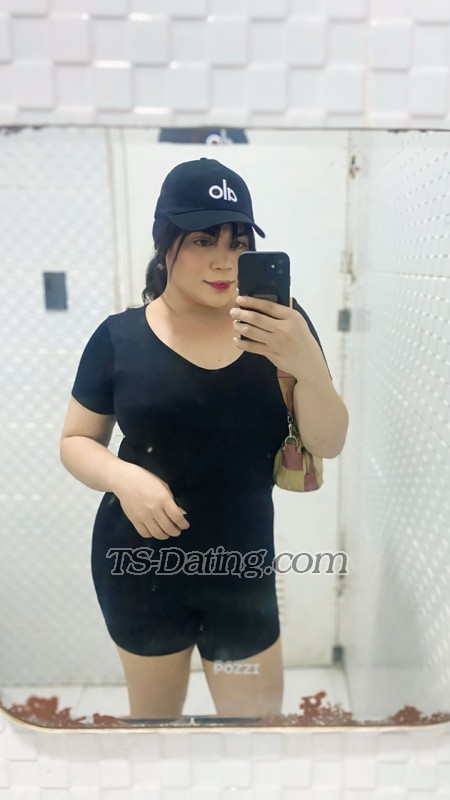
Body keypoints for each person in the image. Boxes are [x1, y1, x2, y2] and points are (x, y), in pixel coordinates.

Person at [60, 157, 348, 721]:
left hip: (243, 572)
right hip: (138, 567)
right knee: (155, 725)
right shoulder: (118, 339)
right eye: (202, 240)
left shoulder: (282, 328)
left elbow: (330, 442)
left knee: (254, 731)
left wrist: (308, 365)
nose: (224, 261)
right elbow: (75, 440)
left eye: (239, 243)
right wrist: (124, 478)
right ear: (164, 243)